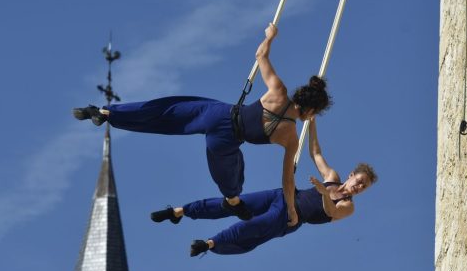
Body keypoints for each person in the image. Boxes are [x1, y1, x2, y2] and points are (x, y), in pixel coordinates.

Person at [73, 23, 331, 225]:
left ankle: (106, 113)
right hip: (224, 141)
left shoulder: (278, 90)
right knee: (232, 178)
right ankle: (232, 200)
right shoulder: (290, 137)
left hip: (218, 113)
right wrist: (292, 210)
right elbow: (287, 181)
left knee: (166, 110)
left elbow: (260, 54)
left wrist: (270, 36)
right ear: (311, 110)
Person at [149, 116, 377, 256]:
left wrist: (322, 193)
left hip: (289, 216)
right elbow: (315, 151)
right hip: (282, 195)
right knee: (234, 203)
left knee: (253, 227)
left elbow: (331, 211)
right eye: (359, 182)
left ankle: (210, 243)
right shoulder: (332, 176)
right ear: (351, 175)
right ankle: (179, 211)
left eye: (363, 187)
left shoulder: (348, 206)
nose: (359, 187)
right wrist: (312, 120)